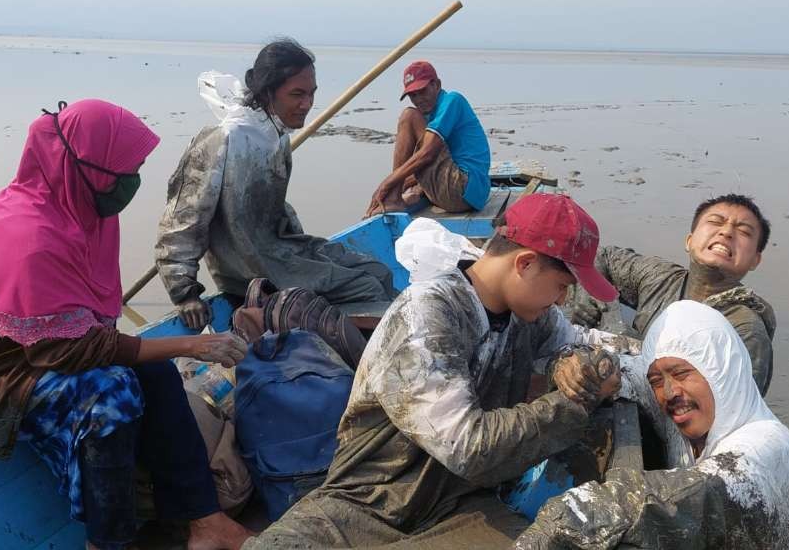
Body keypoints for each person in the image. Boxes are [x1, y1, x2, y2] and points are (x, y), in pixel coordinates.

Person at [0, 100, 251, 550]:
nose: (132, 181)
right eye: (127, 170)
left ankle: (205, 521)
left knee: (153, 372)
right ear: (86, 164)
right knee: (111, 394)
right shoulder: (29, 231)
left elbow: (85, 332)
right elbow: (73, 351)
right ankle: (107, 542)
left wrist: (169, 352)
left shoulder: (82, 211)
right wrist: (191, 345)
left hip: (38, 349)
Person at [249, 194, 627, 549]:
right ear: (524, 263)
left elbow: (573, 345)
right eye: (562, 286)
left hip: (460, 501)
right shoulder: (427, 314)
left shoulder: (532, 315)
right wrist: (574, 404)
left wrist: (576, 365)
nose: (562, 300)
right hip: (369, 500)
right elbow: (467, 446)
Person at [515, 300, 789, 549]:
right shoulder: (686, 409)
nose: (670, 393)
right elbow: (621, 371)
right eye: (657, 381)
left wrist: (564, 518)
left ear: (721, 369)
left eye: (683, 373)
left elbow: (688, 495)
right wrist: (577, 367)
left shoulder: (764, 446)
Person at [157, 38, 395, 331]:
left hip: (281, 250)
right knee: (365, 287)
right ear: (268, 92)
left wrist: (303, 247)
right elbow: (182, 222)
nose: (307, 104)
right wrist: (184, 292)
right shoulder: (225, 139)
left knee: (377, 271)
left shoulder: (276, 134)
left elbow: (273, 207)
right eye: (297, 94)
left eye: (311, 94)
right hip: (252, 271)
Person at [566, 193, 777, 395]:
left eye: (744, 232)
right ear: (689, 241)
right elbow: (601, 255)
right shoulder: (660, 277)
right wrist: (588, 291)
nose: (727, 233)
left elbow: (731, 410)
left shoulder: (746, 331)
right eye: (715, 221)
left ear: (755, 261)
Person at [364, 60, 491, 217]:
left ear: (436, 85)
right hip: (474, 195)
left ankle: (394, 198)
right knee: (407, 175)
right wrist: (407, 182)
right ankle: (401, 194)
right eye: (413, 95)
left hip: (462, 189)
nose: (418, 100)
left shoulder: (452, 100)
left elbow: (427, 154)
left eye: (422, 91)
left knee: (409, 116)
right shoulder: (430, 114)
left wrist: (387, 184)